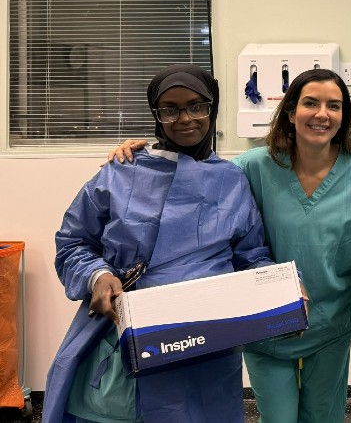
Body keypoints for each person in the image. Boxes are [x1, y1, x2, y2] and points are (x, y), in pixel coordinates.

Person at [106, 69, 351, 423]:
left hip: (331, 322)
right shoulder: (252, 167)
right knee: (278, 418)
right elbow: (197, 171)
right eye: (310, 103)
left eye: (334, 106)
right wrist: (147, 151)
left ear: (343, 117)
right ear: (291, 112)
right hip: (265, 323)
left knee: (324, 416)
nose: (322, 113)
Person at [45, 64, 275, 423]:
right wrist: (97, 277)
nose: (185, 119)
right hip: (129, 329)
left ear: (211, 109)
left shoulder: (231, 179)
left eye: (197, 106)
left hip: (207, 340)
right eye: (170, 109)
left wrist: (280, 288)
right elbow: (74, 242)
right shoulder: (121, 171)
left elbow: (252, 255)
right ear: (156, 113)